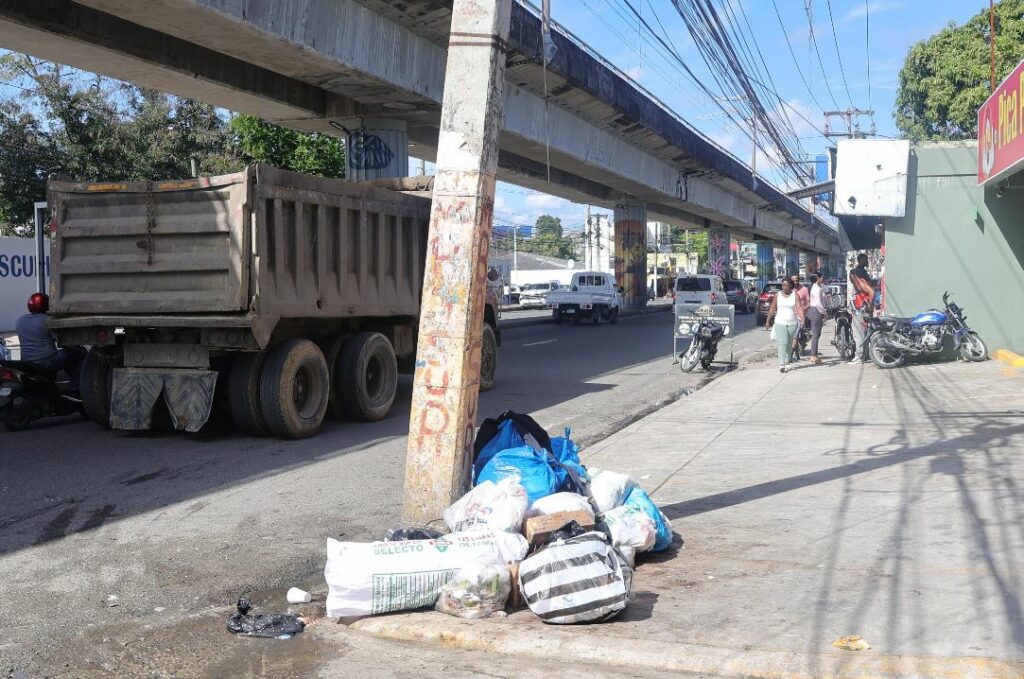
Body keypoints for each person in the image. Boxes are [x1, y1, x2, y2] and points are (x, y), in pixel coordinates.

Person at [15, 293, 82, 390]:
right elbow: (63, 342)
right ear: (46, 305)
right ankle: (74, 388)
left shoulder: (20, 320)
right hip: (48, 362)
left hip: (26, 362)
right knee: (79, 353)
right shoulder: (48, 321)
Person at [766, 278, 805, 373]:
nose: (784, 287)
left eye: (786, 285)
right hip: (780, 322)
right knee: (782, 343)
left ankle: (787, 362)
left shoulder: (795, 295)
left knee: (789, 343)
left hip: (792, 323)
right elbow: (772, 309)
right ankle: (781, 363)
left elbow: (799, 307)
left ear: (791, 286)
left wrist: (802, 318)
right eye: (783, 285)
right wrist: (768, 321)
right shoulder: (777, 295)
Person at [848, 253, 875, 364]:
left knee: (858, 333)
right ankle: (863, 355)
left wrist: (869, 305)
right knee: (862, 333)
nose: (849, 279)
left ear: (854, 276)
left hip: (861, 310)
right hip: (860, 309)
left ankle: (859, 356)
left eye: (850, 277)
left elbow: (872, 292)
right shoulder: (859, 282)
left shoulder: (860, 282)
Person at [807, 274, 828, 364]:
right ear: (817, 279)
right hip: (816, 310)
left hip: (815, 310)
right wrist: (824, 312)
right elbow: (819, 303)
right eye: (821, 277)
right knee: (815, 334)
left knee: (817, 334)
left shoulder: (818, 287)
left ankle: (814, 355)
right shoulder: (816, 289)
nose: (822, 279)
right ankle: (813, 355)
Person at [790, 275, 809, 361]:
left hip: (800, 316)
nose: (795, 282)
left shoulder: (804, 289)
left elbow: (809, 302)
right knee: (791, 336)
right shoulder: (788, 291)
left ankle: (789, 355)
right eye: (793, 281)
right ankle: (795, 351)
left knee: (795, 335)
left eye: (797, 280)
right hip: (789, 316)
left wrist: (803, 309)